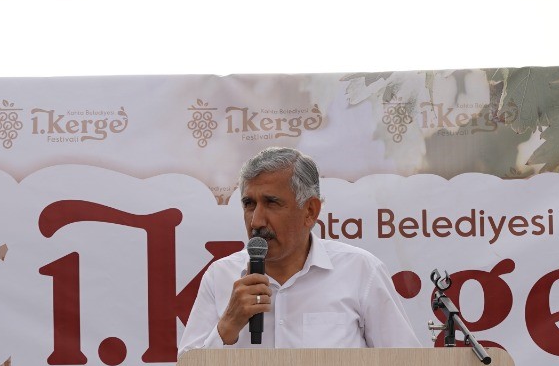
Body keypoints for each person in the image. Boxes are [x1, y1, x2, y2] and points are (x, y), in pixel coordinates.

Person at [178, 146, 425, 352]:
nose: (256, 221)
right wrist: (228, 325)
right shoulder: (220, 276)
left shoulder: (360, 271)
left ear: (310, 211)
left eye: (271, 203)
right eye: (249, 204)